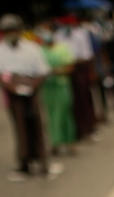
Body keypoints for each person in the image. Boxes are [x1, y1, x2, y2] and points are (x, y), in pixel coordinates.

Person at [0, 14, 52, 180]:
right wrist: (12, 87)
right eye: (6, 31)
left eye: (12, 30)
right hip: (12, 92)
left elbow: (43, 71)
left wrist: (31, 86)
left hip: (32, 88)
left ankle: (43, 161)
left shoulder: (32, 48)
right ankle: (24, 162)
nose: (10, 34)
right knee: (20, 127)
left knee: (36, 124)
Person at [57, 16, 98, 142]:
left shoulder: (81, 35)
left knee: (83, 100)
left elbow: (87, 55)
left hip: (79, 69)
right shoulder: (59, 36)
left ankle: (88, 129)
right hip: (65, 70)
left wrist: (90, 71)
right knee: (69, 103)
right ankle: (75, 132)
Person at [39, 24, 78, 155]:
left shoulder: (62, 49)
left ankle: (70, 142)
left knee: (65, 114)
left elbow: (70, 67)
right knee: (51, 115)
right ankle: (55, 143)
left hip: (62, 85)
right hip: (48, 88)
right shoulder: (40, 51)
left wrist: (56, 71)